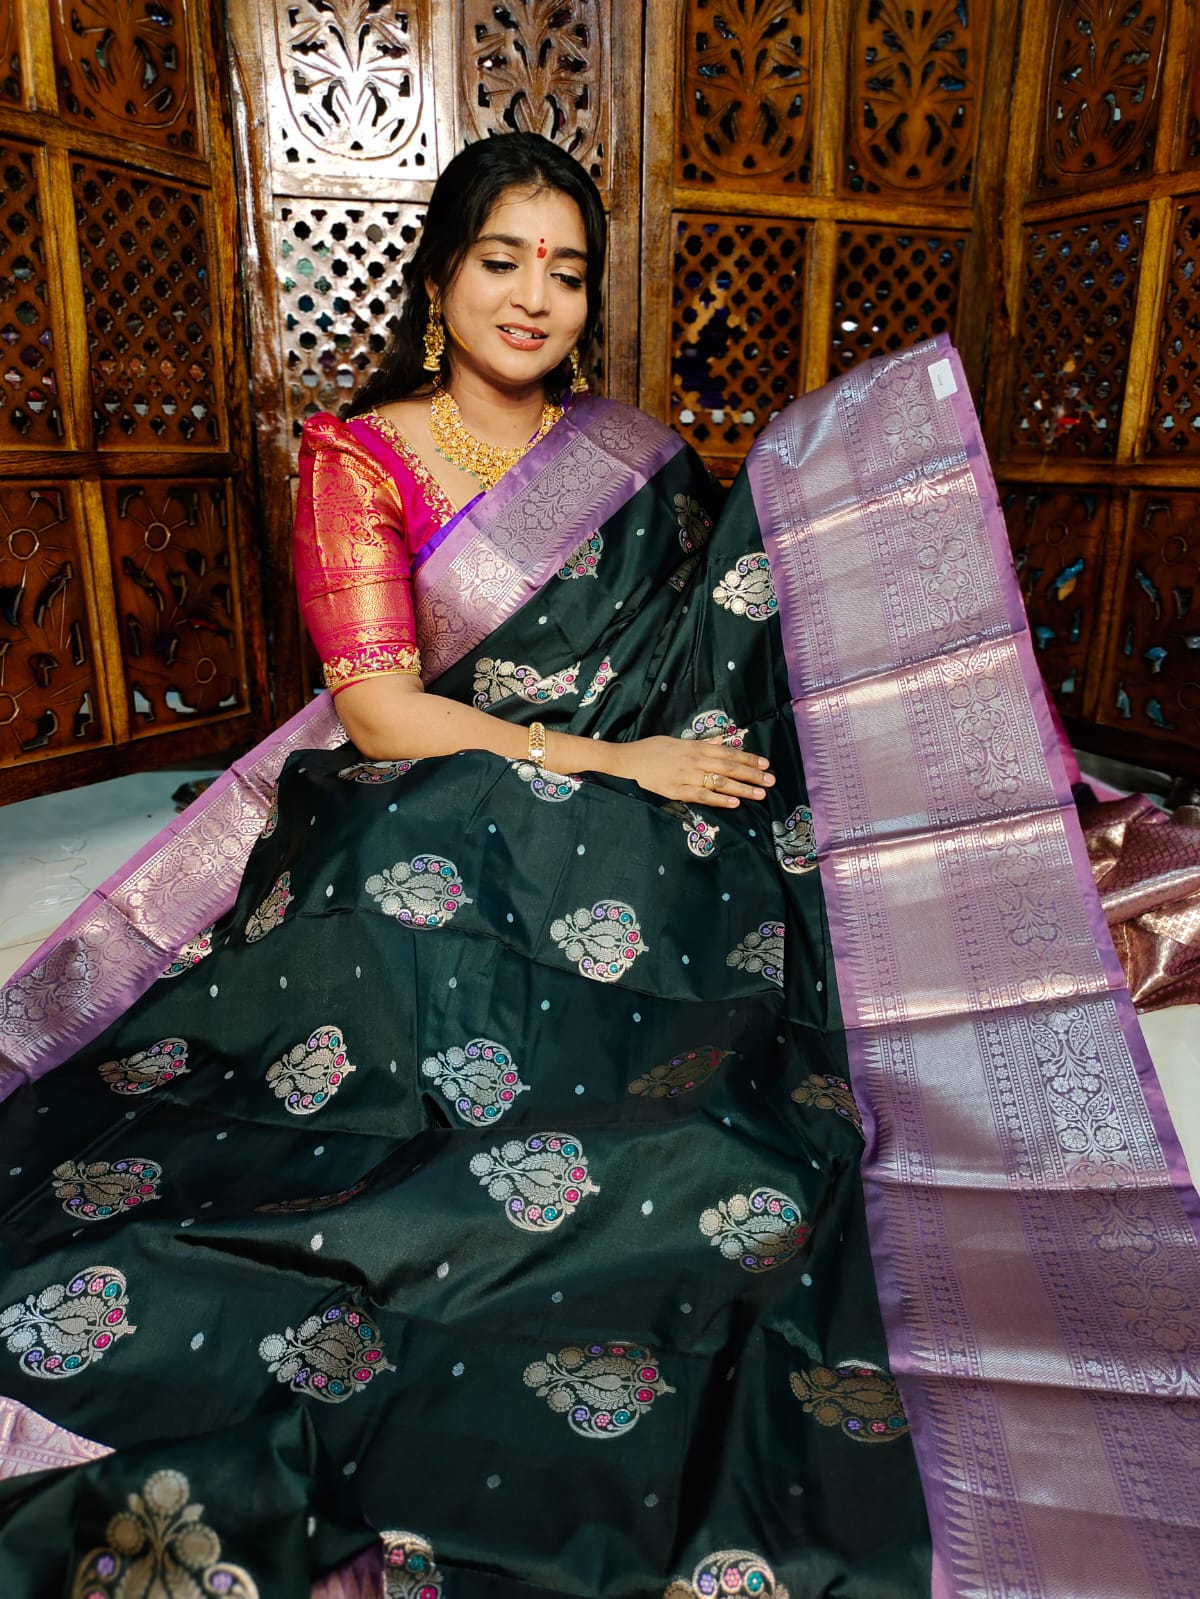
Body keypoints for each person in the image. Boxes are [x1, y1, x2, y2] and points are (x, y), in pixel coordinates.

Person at [0, 133, 1195, 1599]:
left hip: (633, 768)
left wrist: (831, 497)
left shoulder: (627, 452)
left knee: (733, 823)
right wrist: (614, 764)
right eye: (502, 261)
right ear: (440, 279)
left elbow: (710, 638)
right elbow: (379, 711)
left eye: (565, 272)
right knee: (402, 846)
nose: (533, 296)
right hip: (444, 776)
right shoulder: (360, 457)